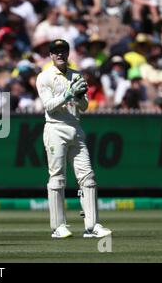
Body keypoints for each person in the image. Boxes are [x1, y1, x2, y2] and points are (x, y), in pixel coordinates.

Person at [36, 39, 112, 239]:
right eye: (55, 52)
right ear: (51, 55)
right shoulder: (44, 77)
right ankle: (58, 227)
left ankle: (92, 225)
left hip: (75, 128)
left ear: (68, 53)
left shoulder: (76, 75)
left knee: (88, 176)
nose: (59, 54)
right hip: (55, 129)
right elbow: (49, 105)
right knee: (58, 178)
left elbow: (85, 106)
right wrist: (69, 94)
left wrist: (78, 97)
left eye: (63, 51)